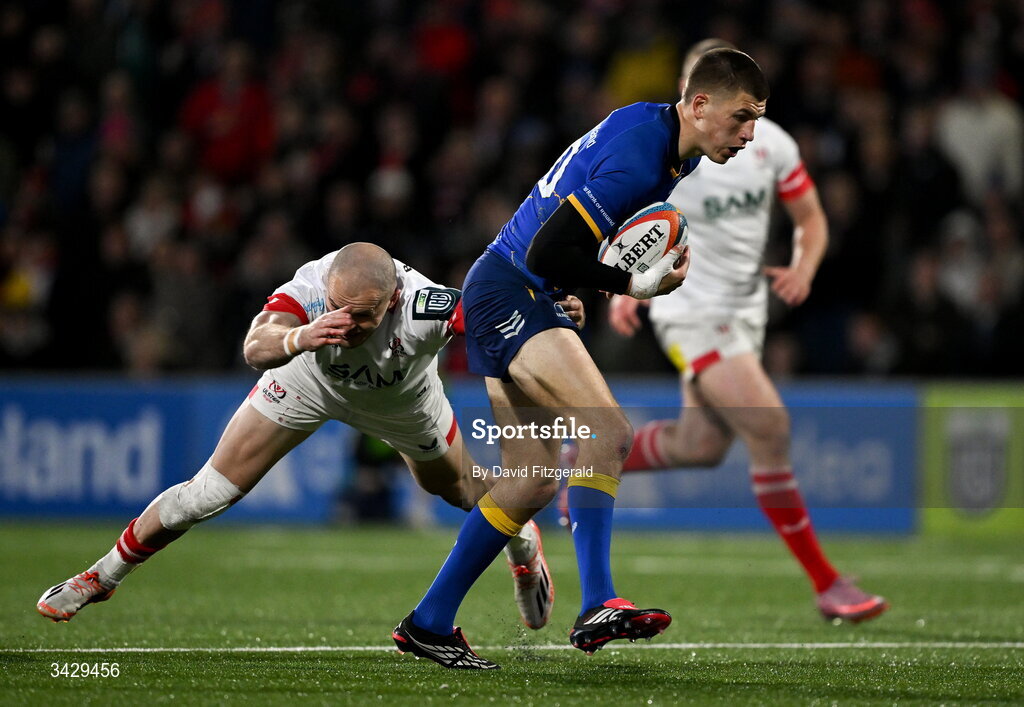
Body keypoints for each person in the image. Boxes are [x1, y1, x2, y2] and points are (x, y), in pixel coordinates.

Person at [391, 48, 768, 670]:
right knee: (609, 430)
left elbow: (561, 228)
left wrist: (572, 284)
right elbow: (550, 246)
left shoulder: (658, 133)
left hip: (505, 283)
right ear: (699, 106)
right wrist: (630, 285)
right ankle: (597, 601)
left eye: (757, 119)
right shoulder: (647, 155)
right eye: (742, 117)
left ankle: (429, 621)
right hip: (512, 288)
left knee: (532, 478)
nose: (750, 133)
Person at [37, 243, 584, 632]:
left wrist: (549, 316)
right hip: (307, 382)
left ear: (393, 301)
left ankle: (524, 545)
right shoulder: (311, 289)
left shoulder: (424, 305)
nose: (347, 323)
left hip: (402, 402)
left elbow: (496, 316)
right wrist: (302, 335)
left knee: (464, 494)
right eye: (339, 307)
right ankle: (101, 576)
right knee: (207, 495)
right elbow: (256, 346)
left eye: (363, 316)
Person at [593, 39, 887, 623]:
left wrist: (804, 264)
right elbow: (622, 221)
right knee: (770, 426)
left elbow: (810, 218)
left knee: (699, 447)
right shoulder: (672, 154)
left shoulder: (769, 143)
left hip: (745, 312)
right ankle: (828, 583)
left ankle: (592, 459)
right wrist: (624, 290)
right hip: (691, 311)